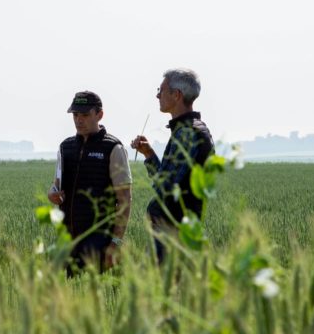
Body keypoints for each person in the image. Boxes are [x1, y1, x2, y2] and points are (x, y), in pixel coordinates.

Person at [130, 69, 214, 263]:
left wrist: (150, 158)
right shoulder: (191, 129)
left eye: (161, 90)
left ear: (176, 95)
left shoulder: (187, 132)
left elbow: (165, 188)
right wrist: (149, 154)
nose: (157, 95)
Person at [48, 91, 132, 275]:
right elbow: (56, 185)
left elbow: (125, 200)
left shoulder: (113, 148)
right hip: (69, 238)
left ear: (99, 115)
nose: (79, 120)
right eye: (75, 115)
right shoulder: (65, 147)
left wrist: (116, 243)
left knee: (95, 297)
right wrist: (52, 194)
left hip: (99, 239)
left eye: (85, 115)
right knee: (72, 297)